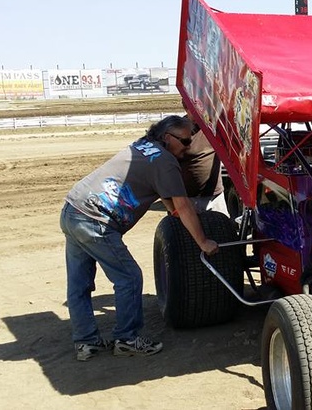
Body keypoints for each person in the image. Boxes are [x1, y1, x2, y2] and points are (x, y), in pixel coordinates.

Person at [60, 115, 219, 361]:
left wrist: (173, 213)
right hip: (96, 220)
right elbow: (183, 205)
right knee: (130, 278)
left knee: (79, 285)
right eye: (186, 142)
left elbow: (165, 194)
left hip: (73, 209)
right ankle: (127, 339)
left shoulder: (145, 145)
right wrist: (203, 242)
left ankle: (85, 342)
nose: (188, 149)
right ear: (168, 138)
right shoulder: (166, 162)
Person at [180, 113, 228, 216]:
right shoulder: (176, 130)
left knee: (222, 228)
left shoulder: (215, 125)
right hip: (188, 198)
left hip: (215, 196)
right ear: (186, 108)